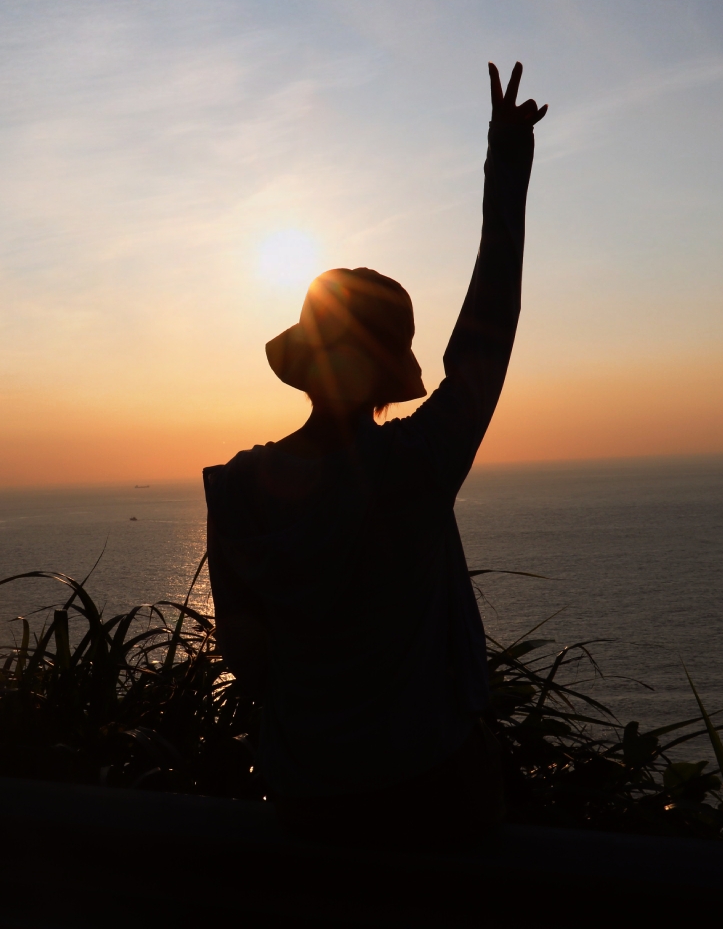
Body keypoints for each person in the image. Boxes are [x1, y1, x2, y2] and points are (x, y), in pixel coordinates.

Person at [201, 62, 546, 849]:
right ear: (392, 370)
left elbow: (250, 668)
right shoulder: (417, 466)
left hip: (305, 800)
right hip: (433, 795)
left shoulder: (241, 490)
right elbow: (490, 335)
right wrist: (507, 167)